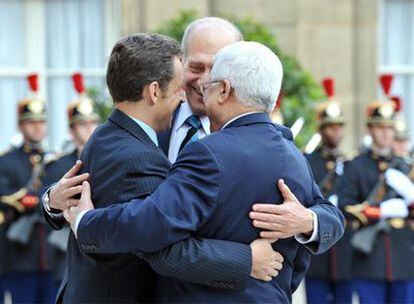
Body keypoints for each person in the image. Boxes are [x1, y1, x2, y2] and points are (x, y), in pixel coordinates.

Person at [67, 41, 345, 303]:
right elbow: (300, 256)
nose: (199, 91)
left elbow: (153, 223)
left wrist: (86, 222)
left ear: (224, 90)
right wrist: (308, 224)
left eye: (209, 85)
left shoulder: (208, 153)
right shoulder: (293, 155)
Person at [42, 34, 282, 303]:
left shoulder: (105, 135)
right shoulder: (141, 158)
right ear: (154, 91)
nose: (185, 95)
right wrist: (246, 260)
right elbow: (160, 245)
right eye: (179, 86)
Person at [337, 74, 414, 304]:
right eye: (379, 127)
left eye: (389, 128)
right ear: (370, 129)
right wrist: (381, 211)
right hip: (369, 260)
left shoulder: (406, 167)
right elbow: (345, 207)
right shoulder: (356, 166)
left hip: (405, 258)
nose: (385, 133)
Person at [0, 74, 56, 303]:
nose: (37, 127)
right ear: (21, 124)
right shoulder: (7, 161)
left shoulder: (54, 160)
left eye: (41, 122)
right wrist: (46, 199)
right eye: (31, 122)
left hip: (51, 257)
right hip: (18, 258)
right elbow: (9, 199)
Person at [42, 72, 99, 291]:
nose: (89, 128)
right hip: (66, 251)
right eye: (82, 124)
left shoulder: (106, 159)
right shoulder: (57, 164)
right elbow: (49, 208)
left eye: (92, 122)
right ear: (71, 129)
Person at [304, 77, 354, 304]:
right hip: (317, 253)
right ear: (321, 130)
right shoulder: (307, 161)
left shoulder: (351, 163)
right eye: (331, 127)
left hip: (345, 252)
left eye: (339, 126)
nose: (336, 132)